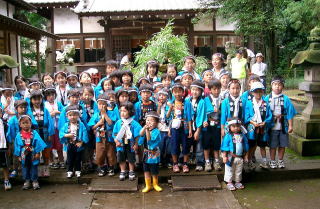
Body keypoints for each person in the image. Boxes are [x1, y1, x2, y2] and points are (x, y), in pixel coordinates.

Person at [265, 76, 296, 169]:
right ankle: (272, 161)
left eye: (279, 85)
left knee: (282, 145)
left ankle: (280, 160)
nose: (277, 87)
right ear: (271, 86)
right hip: (272, 126)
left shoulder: (286, 99)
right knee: (272, 145)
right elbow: (264, 112)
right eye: (275, 84)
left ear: (282, 86)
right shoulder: (267, 98)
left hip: (283, 126)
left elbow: (290, 113)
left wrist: (290, 125)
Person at [88, 92, 119, 177]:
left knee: (110, 153)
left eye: (103, 104)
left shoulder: (111, 112)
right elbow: (92, 127)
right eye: (99, 104)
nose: (101, 106)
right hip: (99, 138)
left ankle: (111, 167)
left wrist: (104, 114)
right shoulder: (95, 114)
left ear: (107, 104)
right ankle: (102, 167)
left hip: (109, 137)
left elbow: (111, 124)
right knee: (100, 153)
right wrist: (98, 123)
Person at [244, 82, 272, 170]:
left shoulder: (265, 103)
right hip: (252, 127)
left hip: (262, 127)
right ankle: (248, 161)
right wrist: (252, 122)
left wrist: (265, 122)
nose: (258, 94)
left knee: (262, 144)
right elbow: (246, 116)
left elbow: (269, 115)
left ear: (263, 92)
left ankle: (264, 161)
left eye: (260, 91)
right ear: (252, 93)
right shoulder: (249, 103)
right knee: (251, 144)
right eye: (256, 92)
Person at [14, 115, 47, 190]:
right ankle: (27, 181)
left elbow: (38, 143)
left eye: (27, 123)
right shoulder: (18, 135)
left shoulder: (34, 133)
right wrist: (18, 155)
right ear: (20, 125)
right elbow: (17, 146)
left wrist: (38, 153)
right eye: (23, 123)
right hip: (23, 153)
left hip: (33, 152)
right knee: (24, 167)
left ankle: (34, 180)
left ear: (31, 123)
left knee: (33, 166)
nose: (25, 125)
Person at [27, 90, 55, 177]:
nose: (37, 101)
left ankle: (46, 168)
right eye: (34, 99)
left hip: (45, 133)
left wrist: (50, 133)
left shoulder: (45, 110)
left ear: (41, 99)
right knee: (36, 152)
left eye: (39, 99)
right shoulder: (29, 111)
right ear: (31, 100)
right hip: (35, 133)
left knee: (46, 152)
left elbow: (50, 122)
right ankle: (38, 170)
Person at [113, 101, 142, 181]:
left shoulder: (133, 123)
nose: (122, 113)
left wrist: (136, 144)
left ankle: (131, 171)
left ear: (130, 112)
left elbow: (138, 134)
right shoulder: (118, 123)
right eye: (121, 111)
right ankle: (123, 171)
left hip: (130, 143)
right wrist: (116, 141)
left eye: (124, 111)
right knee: (121, 157)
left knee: (131, 158)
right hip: (121, 144)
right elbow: (115, 133)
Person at [167, 83, 192, 173]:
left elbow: (189, 117)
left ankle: (185, 163)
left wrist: (190, 129)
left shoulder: (187, 102)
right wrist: (170, 108)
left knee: (185, 145)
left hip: (184, 126)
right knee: (174, 145)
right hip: (174, 127)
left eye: (179, 91)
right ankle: (175, 163)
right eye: (175, 92)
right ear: (172, 92)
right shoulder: (171, 102)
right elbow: (168, 117)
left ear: (183, 92)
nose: (177, 94)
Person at [59, 105, 89, 178]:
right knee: (70, 158)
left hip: (78, 145)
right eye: (70, 115)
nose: (72, 117)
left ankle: (78, 170)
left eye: (75, 115)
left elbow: (84, 133)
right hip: (70, 144)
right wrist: (67, 135)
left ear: (78, 115)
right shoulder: (66, 125)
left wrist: (81, 142)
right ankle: (69, 170)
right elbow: (61, 132)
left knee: (78, 158)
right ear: (67, 116)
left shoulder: (81, 124)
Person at [221, 117, 249, 191]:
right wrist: (224, 156)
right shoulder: (228, 136)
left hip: (240, 157)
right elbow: (225, 146)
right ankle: (229, 182)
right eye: (233, 126)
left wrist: (246, 156)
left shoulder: (243, 136)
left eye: (238, 126)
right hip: (230, 157)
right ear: (229, 127)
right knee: (229, 170)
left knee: (238, 170)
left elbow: (246, 146)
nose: (236, 128)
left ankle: (237, 181)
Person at [139, 111, 162, 193]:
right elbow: (140, 134)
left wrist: (147, 131)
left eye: (151, 120)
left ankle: (155, 184)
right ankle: (148, 185)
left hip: (153, 154)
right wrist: (145, 128)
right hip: (146, 153)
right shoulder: (145, 129)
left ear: (156, 123)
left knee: (154, 170)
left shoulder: (156, 132)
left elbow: (149, 141)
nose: (149, 122)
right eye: (147, 120)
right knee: (146, 170)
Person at [203, 79, 223, 171]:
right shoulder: (206, 100)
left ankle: (216, 161)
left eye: (218, 89)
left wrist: (219, 111)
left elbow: (224, 113)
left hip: (217, 126)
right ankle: (207, 162)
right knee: (206, 144)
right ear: (210, 90)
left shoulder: (222, 99)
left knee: (216, 144)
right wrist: (204, 120)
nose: (217, 91)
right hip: (207, 126)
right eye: (214, 89)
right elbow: (202, 112)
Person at [43, 86, 65, 169]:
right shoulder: (44, 105)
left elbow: (63, 112)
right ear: (46, 96)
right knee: (50, 145)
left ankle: (61, 160)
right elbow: (45, 115)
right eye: (49, 95)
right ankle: (51, 161)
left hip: (58, 128)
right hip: (49, 129)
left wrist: (57, 112)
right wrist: (51, 114)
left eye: (52, 94)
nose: (51, 97)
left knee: (59, 145)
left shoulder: (58, 104)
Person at [187, 80, 206, 171]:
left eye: (197, 90)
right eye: (193, 89)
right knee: (187, 143)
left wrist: (198, 130)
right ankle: (186, 161)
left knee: (199, 145)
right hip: (189, 126)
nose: (194, 92)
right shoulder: (187, 100)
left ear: (201, 91)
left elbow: (200, 116)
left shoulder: (201, 102)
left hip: (198, 127)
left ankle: (200, 163)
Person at [156, 88, 172, 168]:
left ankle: (168, 161)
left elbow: (169, 116)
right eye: (160, 95)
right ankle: (160, 161)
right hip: (159, 129)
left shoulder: (169, 104)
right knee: (160, 146)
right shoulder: (156, 104)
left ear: (167, 97)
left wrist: (170, 108)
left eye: (164, 95)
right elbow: (157, 115)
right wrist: (159, 107)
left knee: (168, 146)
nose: (162, 97)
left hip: (167, 128)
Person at [0, 106, 11, 191]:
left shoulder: (5, 124)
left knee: (5, 165)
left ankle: (6, 180)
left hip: (3, 146)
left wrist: (8, 147)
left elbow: (8, 136)